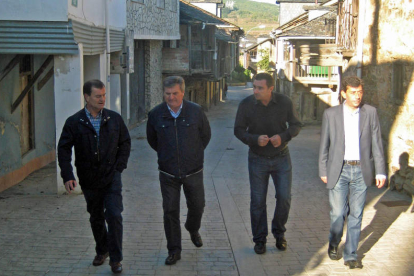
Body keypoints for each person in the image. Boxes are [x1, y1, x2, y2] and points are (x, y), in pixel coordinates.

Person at [58, 79, 131, 274]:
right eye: (98, 96)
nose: (102, 99)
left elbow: (125, 142)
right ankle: (102, 249)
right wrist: (67, 175)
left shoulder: (114, 119)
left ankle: (115, 259)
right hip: (89, 178)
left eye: (104, 95)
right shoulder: (74, 122)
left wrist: (119, 167)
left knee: (114, 215)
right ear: (86, 97)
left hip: (111, 176)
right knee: (96, 217)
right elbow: (63, 149)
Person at [318, 75, 386, 269]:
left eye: (360, 92)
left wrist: (380, 171)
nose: (357, 96)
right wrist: (323, 169)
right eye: (353, 93)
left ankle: (351, 255)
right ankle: (334, 241)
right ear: (343, 93)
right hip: (338, 169)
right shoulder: (331, 114)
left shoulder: (370, 112)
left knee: (356, 215)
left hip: (361, 170)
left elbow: (377, 143)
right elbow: (325, 145)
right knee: (338, 214)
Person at [234, 72, 302, 254]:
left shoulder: (284, 102)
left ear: (270, 89)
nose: (255, 91)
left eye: (260, 88)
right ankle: (260, 240)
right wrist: (255, 139)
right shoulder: (246, 105)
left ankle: (279, 234)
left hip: (281, 157)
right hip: (257, 158)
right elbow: (238, 130)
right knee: (257, 201)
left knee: (284, 198)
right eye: (254, 87)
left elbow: (296, 125)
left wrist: (284, 136)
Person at [146, 76, 211, 265]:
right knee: (170, 211)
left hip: (193, 171)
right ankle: (174, 250)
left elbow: (205, 136)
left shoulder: (196, 112)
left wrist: (192, 154)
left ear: (183, 92)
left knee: (198, 205)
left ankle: (192, 228)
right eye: (167, 94)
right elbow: (153, 140)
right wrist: (167, 155)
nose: (171, 97)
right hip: (168, 173)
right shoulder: (155, 114)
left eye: (175, 93)